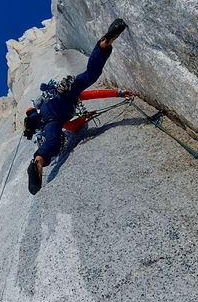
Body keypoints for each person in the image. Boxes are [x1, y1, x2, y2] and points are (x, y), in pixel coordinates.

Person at [27, 18, 131, 195]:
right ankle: (104, 43)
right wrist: (119, 93)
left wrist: (85, 117)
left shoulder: (60, 122)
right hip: (61, 92)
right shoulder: (72, 102)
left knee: (52, 142)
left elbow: (73, 127)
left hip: (51, 114)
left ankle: (39, 160)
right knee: (91, 75)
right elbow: (94, 94)